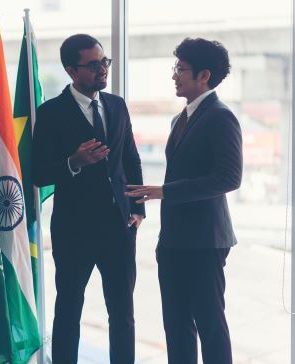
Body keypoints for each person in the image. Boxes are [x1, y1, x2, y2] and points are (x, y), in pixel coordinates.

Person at [126, 38, 242, 364]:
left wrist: (166, 191)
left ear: (204, 75)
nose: (174, 75)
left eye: (181, 69)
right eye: (175, 68)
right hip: (175, 240)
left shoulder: (220, 116)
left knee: (210, 325)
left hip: (205, 240)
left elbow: (229, 178)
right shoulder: (180, 119)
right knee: (176, 326)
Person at [32, 34, 145, 364]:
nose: (102, 70)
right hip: (74, 231)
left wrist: (137, 209)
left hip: (119, 228)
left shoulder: (116, 105)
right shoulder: (50, 113)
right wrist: (74, 162)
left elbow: (131, 160)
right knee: (68, 311)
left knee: (123, 314)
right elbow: (39, 174)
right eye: (93, 65)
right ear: (71, 70)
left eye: (104, 62)